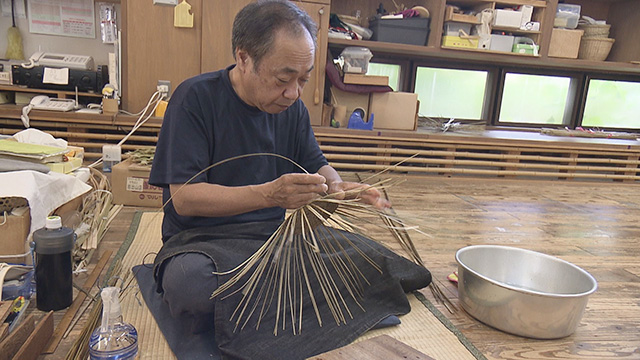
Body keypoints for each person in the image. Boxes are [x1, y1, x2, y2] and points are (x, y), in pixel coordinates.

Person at [149, 1, 430, 358]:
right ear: (244, 58)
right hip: (204, 244)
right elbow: (185, 198)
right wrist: (269, 195)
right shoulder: (195, 99)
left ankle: (263, 307)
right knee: (191, 287)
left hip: (277, 241)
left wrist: (337, 188)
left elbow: (315, 163)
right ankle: (291, 302)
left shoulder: (292, 108)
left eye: (304, 80)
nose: (294, 93)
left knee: (379, 261)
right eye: (283, 79)